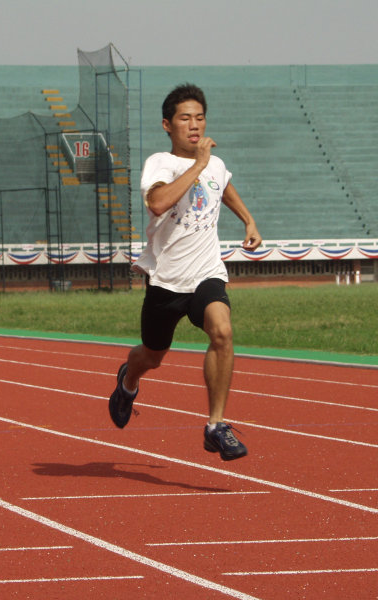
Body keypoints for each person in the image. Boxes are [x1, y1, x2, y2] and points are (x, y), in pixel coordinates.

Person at [109, 84, 262, 461]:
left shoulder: (216, 164)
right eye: (184, 118)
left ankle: (216, 426)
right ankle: (128, 381)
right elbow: (158, 203)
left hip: (206, 273)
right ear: (167, 124)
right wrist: (197, 164)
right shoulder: (161, 163)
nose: (194, 125)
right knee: (153, 355)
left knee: (222, 332)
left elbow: (223, 187)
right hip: (166, 280)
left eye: (200, 117)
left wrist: (248, 220)